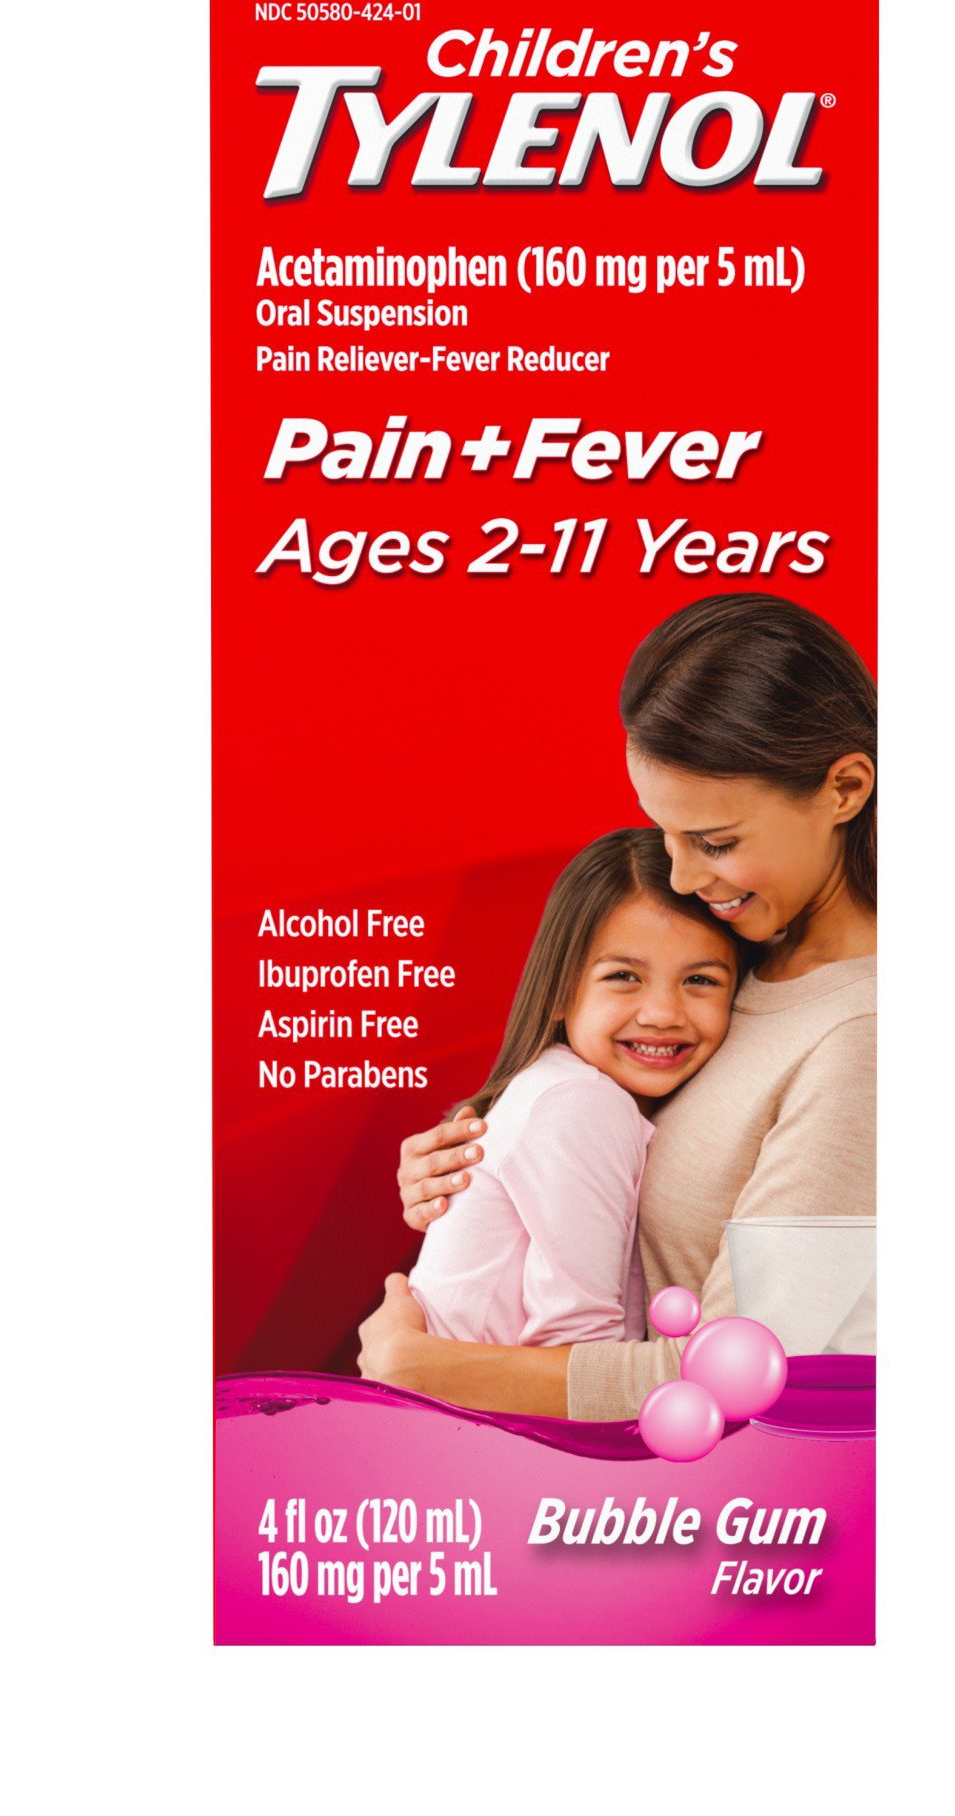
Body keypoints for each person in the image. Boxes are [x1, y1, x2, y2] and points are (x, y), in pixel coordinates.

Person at [360, 593, 876, 1420]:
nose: (682, 877)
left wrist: (425, 1367)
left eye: (715, 842)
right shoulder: (740, 950)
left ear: (845, 788)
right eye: (664, 832)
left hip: (686, 1480)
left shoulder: (863, 1038)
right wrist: (481, 1163)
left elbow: (749, 1371)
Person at [406, 829, 740, 1348]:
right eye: (624, 975)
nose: (662, 1014)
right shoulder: (581, 1103)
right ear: (560, 991)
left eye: (700, 980)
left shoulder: (566, 1089)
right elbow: (579, 1346)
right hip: (470, 1398)